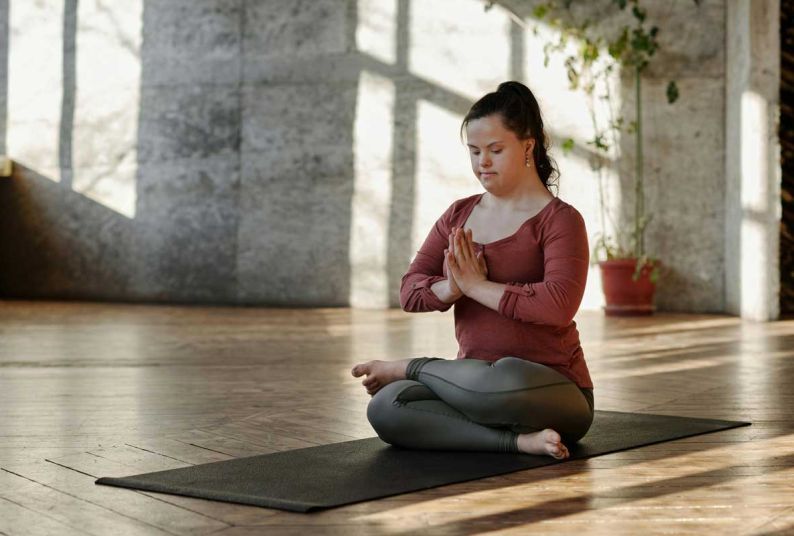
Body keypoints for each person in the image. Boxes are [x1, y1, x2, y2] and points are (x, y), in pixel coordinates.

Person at [351, 81, 594, 459]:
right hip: (471, 382)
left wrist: (477, 286)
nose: (483, 162)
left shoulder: (561, 220)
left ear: (528, 146)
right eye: (475, 151)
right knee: (386, 406)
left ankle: (411, 367)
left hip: (550, 389)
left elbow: (556, 305)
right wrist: (451, 288)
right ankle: (517, 442)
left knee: (504, 377)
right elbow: (410, 292)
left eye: (496, 150)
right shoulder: (458, 215)